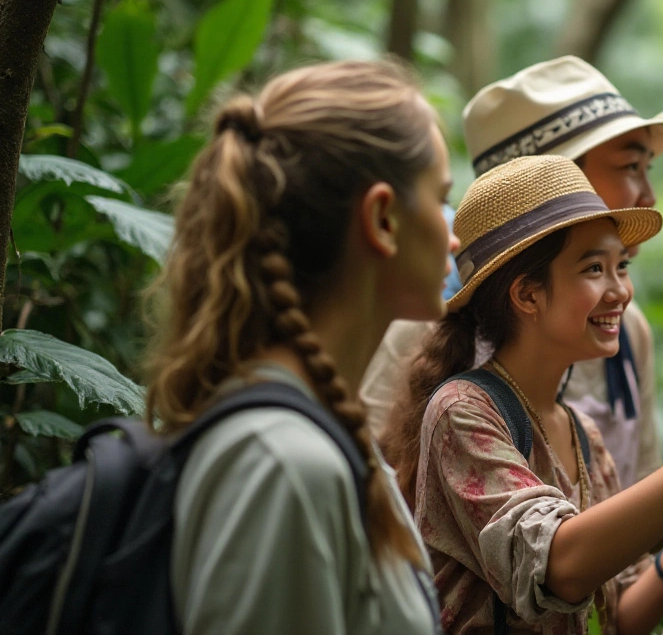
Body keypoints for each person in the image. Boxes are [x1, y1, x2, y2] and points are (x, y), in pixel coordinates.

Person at [382, 155, 663, 635]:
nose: (620, 291)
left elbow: (612, 619)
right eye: (594, 268)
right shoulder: (462, 413)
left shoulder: (584, 435)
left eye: (622, 266)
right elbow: (559, 566)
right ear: (527, 295)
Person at [145, 60, 455, 634]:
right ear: (383, 218)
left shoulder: (324, 434)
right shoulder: (284, 464)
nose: (453, 233)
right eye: (441, 199)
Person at [363, 55, 663, 487]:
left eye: (648, 169)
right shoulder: (426, 323)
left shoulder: (626, 331)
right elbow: (373, 483)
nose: (648, 194)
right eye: (630, 167)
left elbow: (640, 489)